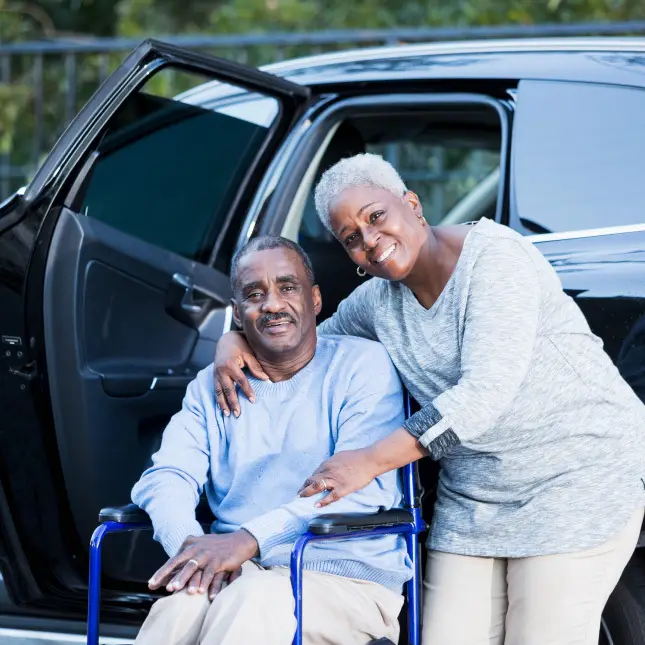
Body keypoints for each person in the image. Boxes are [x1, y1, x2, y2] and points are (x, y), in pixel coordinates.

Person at [213, 153, 645, 645]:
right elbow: (310, 347)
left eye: (376, 216)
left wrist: (369, 460)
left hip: (574, 475)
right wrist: (235, 341)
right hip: (477, 496)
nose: (369, 240)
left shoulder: (495, 259)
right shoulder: (377, 302)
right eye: (351, 238)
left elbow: (482, 397)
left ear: (411, 205)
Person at [130, 235, 411, 645]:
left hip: (345, 581)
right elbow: (166, 475)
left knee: (250, 601)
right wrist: (192, 551)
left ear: (315, 300)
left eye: (287, 287)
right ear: (238, 316)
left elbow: (356, 490)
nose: (273, 304)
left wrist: (248, 539)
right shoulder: (211, 386)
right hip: (245, 570)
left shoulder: (362, 366)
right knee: (181, 607)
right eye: (254, 294)